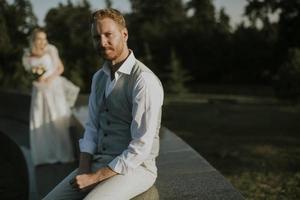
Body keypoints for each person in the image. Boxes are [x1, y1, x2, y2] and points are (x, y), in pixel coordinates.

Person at [43, 8, 164, 200]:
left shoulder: (144, 80)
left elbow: (141, 147)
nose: (102, 42)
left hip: (136, 169)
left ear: (124, 34)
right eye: (96, 37)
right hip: (98, 163)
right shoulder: (98, 77)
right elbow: (91, 127)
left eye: (108, 35)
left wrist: (95, 177)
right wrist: (83, 170)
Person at [22, 28, 80, 166]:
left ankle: (63, 154)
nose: (43, 41)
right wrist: (37, 80)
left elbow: (60, 68)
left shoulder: (51, 50)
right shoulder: (27, 55)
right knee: (40, 119)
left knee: (56, 120)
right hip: (40, 92)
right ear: (33, 40)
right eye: (39, 39)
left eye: (44, 38)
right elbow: (29, 74)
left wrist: (49, 79)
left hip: (54, 88)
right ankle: (45, 154)